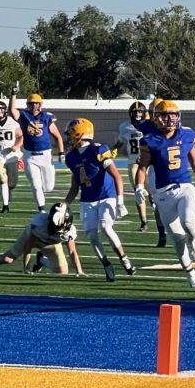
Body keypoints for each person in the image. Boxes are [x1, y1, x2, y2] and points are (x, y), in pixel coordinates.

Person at [135, 100, 195, 289]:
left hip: (185, 187)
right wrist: (138, 187)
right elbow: (143, 166)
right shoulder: (150, 140)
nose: (170, 118)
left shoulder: (186, 134)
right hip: (162, 193)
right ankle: (190, 273)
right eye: (165, 115)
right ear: (156, 117)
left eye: (173, 114)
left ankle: (194, 240)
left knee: (188, 223)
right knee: (177, 238)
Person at [64, 118, 135, 282]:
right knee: (91, 236)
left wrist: (120, 201)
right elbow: (75, 185)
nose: (69, 137)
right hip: (87, 200)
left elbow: (117, 176)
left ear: (80, 134)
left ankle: (123, 258)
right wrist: (65, 204)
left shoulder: (99, 150)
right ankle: (106, 264)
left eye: (71, 134)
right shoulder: (71, 157)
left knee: (105, 226)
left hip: (106, 196)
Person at [0, 202, 84, 276]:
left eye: (59, 225)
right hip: (32, 238)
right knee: (8, 259)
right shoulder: (39, 224)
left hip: (51, 244)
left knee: (62, 271)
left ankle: (41, 260)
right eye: (55, 224)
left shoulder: (69, 231)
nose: (56, 227)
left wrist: (79, 271)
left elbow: (72, 251)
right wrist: (26, 268)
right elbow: (28, 247)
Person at [9, 90, 65, 212]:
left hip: (45, 155)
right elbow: (12, 111)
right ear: (27, 104)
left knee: (48, 187)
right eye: (31, 103)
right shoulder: (24, 115)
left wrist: (61, 152)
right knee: (35, 184)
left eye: (36, 103)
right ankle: (41, 209)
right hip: (30, 156)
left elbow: (58, 136)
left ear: (40, 104)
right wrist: (13, 95)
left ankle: (41, 197)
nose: (34, 106)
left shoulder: (47, 117)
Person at [113, 100, 150, 231]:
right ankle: (144, 221)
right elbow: (120, 141)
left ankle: (159, 217)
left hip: (149, 162)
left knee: (153, 193)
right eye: (135, 112)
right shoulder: (125, 127)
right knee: (138, 193)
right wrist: (115, 149)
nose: (138, 114)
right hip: (133, 162)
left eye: (140, 111)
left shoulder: (149, 125)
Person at [141, 98, 168, 247]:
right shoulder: (147, 126)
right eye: (153, 113)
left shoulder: (175, 127)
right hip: (155, 170)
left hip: (173, 170)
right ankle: (162, 234)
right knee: (158, 203)